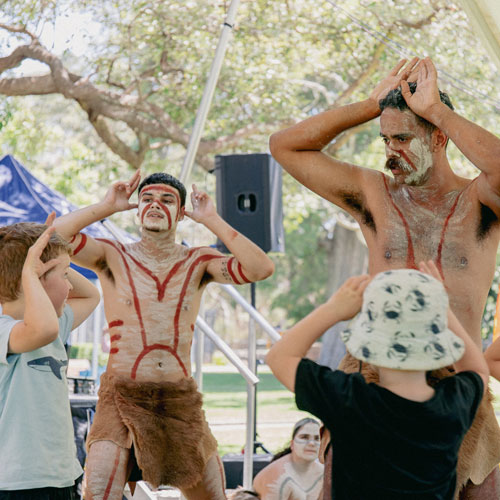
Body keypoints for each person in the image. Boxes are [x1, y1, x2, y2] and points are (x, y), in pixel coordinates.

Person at [269, 56, 500, 497]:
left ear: (438, 139)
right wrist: (370, 104)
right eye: (385, 138)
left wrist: (438, 111)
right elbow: (284, 146)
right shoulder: (372, 191)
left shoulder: (480, 198)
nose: (390, 150)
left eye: (402, 138)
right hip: (373, 374)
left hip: (457, 377)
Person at [53, 171, 275, 499]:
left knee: (213, 495)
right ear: (138, 210)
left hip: (179, 399)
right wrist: (105, 206)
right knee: (98, 492)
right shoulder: (111, 254)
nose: (155, 205)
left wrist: (211, 219)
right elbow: (55, 237)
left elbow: (260, 268)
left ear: (182, 211)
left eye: (167, 200)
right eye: (147, 200)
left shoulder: (199, 261)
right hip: (121, 397)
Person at [266, 261, 488, 500]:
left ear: (368, 344)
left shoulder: (349, 400)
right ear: (437, 342)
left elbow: (279, 357)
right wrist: (442, 309)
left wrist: (333, 309)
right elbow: (477, 370)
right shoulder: (453, 405)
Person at [0, 218, 101, 499]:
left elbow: (91, 296)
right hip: (15, 483)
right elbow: (41, 330)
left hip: (60, 475)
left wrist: (49, 251)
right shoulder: (5, 328)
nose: (70, 287)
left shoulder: (55, 325)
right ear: (33, 280)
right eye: (66, 275)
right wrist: (30, 271)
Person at [253, 417, 324, 500]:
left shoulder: (322, 473)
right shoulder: (278, 477)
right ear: (292, 444)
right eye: (304, 437)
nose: (312, 443)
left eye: (317, 438)